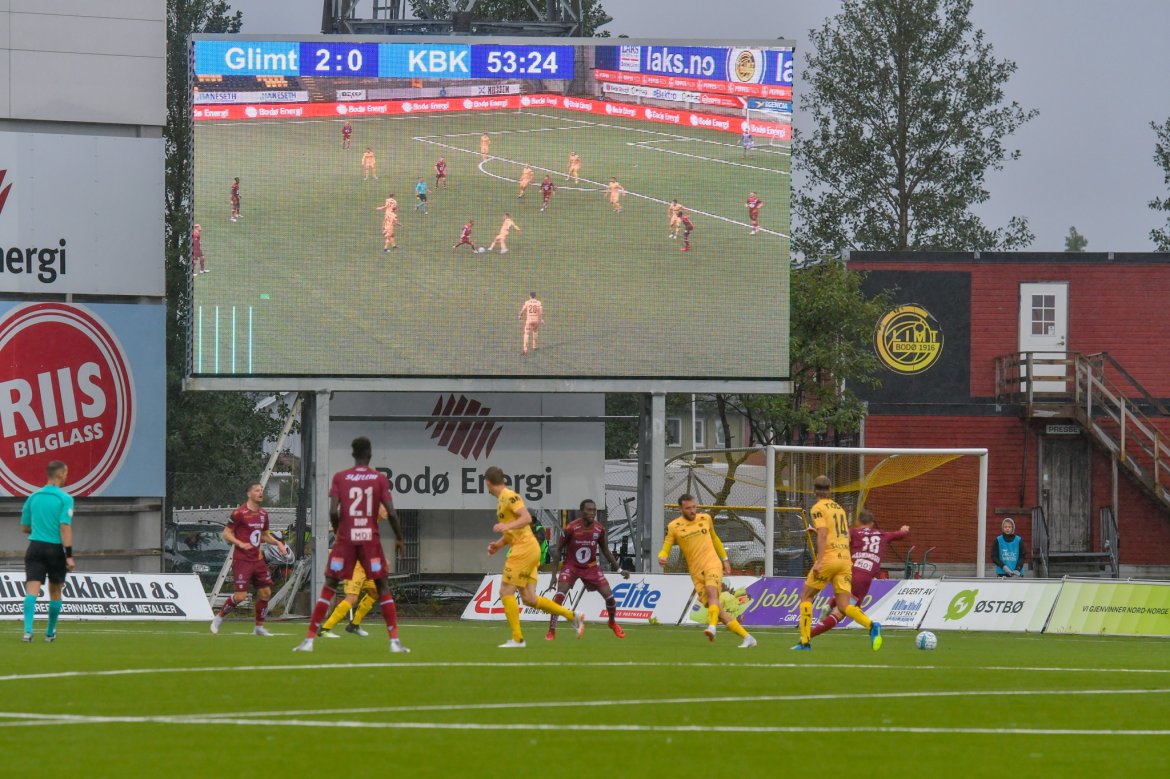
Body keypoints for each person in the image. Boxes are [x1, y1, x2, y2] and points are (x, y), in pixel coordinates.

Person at [294, 436, 409, 653]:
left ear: (353, 454)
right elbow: (390, 512)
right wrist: (400, 539)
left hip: (347, 541)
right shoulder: (378, 479)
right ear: (370, 454)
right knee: (378, 590)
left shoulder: (340, 477)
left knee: (331, 587)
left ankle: (314, 638)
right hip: (368, 543)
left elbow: (332, 511)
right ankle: (393, 641)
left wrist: (339, 534)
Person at [485, 466, 583, 648]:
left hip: (523, 550)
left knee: (505, 591)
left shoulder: (509, 496)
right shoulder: (501, 501)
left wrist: (507, 526)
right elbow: (515, 530)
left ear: (489, 482)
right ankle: (572, 616)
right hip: (527, 549)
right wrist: (498, 545)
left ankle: (517, 639)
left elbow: (526, 518)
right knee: (529, 598)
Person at [792, 476, 882, 651]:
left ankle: (804, 641)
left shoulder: (817, 508)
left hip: (829, 558)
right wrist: (817, 531)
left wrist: (819, 562)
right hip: (845, 560)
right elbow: (840, 532)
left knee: (806, 596)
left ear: (813, 491)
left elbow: (824, 534)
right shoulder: (839, 508)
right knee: (843, 605)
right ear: (830, 490)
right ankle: (872, 625)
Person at [658, 494, 757, 648]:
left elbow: (715, 539)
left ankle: (711, 627)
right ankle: (748, 638)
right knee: (719, 610)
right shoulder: (674, 526)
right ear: (680, 509)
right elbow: (666, 546)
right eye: (688, 508)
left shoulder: (705, 519)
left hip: (712, 564)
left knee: (712, 593)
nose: (692, 510)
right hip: (696, 572)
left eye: (694, 507)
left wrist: (724, 559)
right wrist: (662, 557)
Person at [809, 509, 908, 638]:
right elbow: (900, 534)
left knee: (843, 601)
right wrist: (904, 529)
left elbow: (834, 540)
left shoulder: (853, 533)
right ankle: (807, 637)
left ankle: (828, 606)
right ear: (872, 524)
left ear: (857, 522)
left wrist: (817, 532)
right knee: (840, 613)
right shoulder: (882, 534)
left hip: (849, 572)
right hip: (864, 578)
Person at [545, 499, 630, 641]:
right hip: (571, 566)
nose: (592, 513)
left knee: (610, 597)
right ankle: (551, 631)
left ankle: (612, 622)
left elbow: (606, 551)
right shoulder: (571, 528)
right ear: (581, 511)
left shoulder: (599, 529)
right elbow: (558, 549)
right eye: (589, 510)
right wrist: (554, 575)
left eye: (594, 510)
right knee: (559, 596)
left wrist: (619, 569)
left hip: (591, 567)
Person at [211, 482, 289, 636]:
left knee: (266, 592)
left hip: (258, 560)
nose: (261, 492)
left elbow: (265, 535)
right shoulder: (239, 513)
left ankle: (259, 627)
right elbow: (226, 533)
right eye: (257, 490)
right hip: (242, 560)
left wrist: (279, 543)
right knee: (240, 596)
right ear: (249, 494)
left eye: (262, 490)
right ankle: (218, 617)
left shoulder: (263, 514)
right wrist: (240, 543)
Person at [19, 460, 74, 643]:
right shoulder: (64, 498)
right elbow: (64, 527)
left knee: (31, 591)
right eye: (66, 473)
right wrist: (70, 555)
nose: (66, 476)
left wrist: (39, 528)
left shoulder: (33, 497)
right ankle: (50, 633)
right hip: (54, 549)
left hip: (35, 547)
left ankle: (27, 631)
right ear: (60, 475)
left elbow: (25, 527)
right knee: (56, 591)